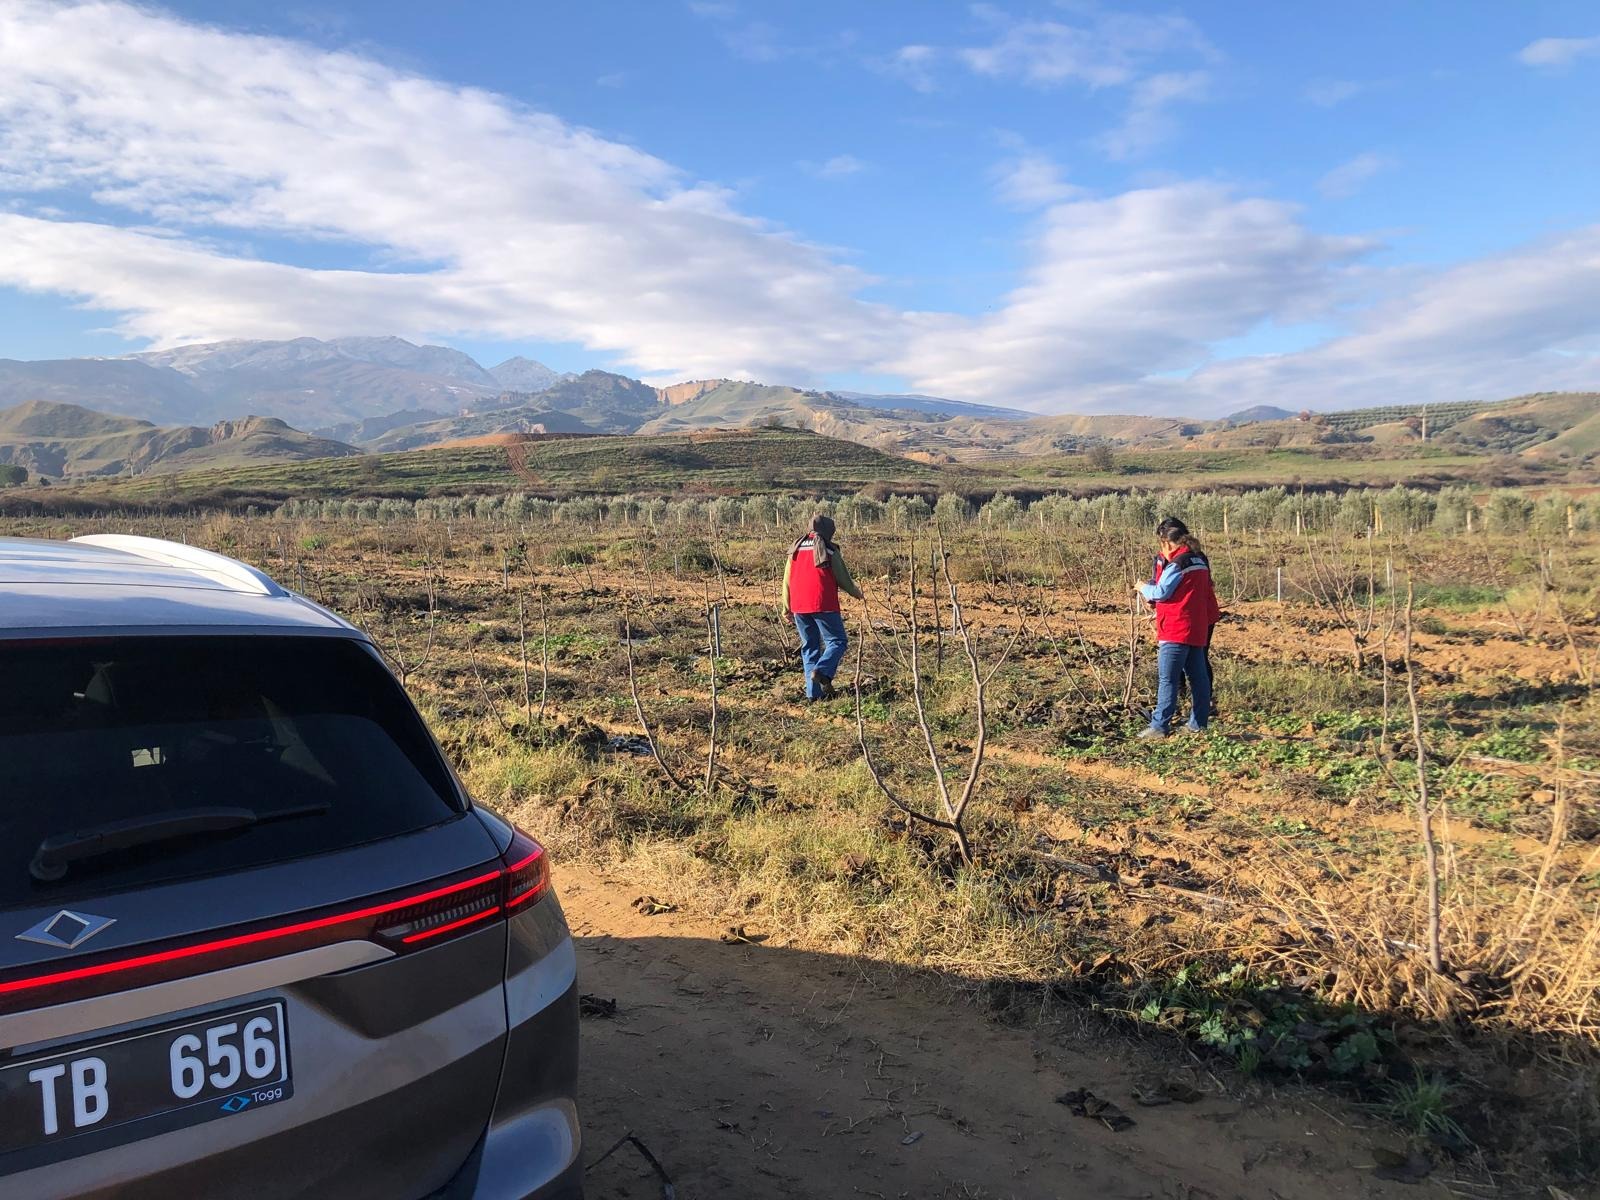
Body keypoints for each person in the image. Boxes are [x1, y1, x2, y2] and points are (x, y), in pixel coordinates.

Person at [1134, 516, 1220, 738]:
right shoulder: (1199, 561)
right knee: (1199, 678)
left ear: (1166, 542)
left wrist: (1143, 587)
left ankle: (1159, 726)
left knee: (1168, 678)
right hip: (1197, 628)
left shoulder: (1177, 564)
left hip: (1175, 628)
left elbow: (1161, 592)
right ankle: (1198, 725)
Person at [782, 513, 863, 701]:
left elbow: (786, 580)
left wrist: (787, 607)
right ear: (829, 531)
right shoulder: (829, 549)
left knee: (809, 648)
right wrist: (855, 592)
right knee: (837, 641)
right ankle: (822, 670)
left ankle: (814, 695)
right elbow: (842, 577)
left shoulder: (795, 548)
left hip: (799, 606)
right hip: (823, 603)